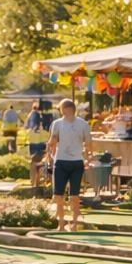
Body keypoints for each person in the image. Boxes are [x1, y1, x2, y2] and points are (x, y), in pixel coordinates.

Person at [45, 98, 91, 231]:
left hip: (70, 162)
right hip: (66, 161)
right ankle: (65, 224)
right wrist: (50, 151)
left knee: (68, 195)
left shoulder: (78, 124)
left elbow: (88, 143)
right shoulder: (60, 123)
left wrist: (88, 157)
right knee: (64, 195)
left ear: (65, 109)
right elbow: (88, 144)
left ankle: (68, 224)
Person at [25, 102, 51, 190]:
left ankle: (34, 183)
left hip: (33, 143)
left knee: (33, 163)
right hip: (42, 143)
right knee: (39, 164)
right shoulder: (42, 116)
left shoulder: (30, 115)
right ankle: (37, 182)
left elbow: (26, 126)